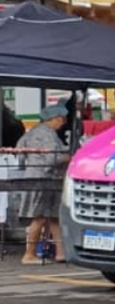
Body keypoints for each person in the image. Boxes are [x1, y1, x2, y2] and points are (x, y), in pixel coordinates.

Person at [16, 111, 68, 264]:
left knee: (54, 217)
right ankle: (29, 254)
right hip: (45, 177)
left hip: (33, 175)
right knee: (39, 217)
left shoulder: (32, 131)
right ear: (55, 118)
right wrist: (69, 156)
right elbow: (53, 158)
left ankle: (61, 253)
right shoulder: (48, 135)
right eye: (62, 119)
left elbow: (19, 150)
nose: (63, 123)